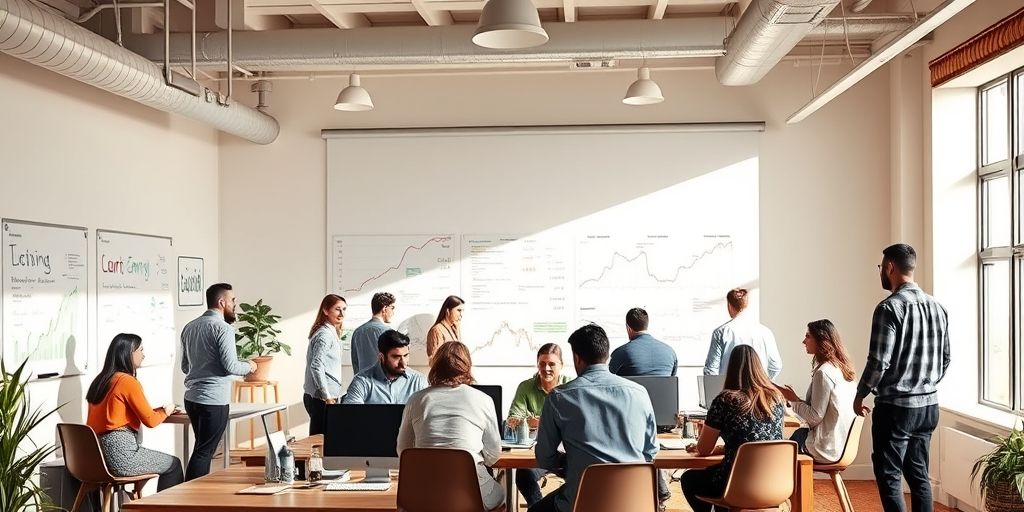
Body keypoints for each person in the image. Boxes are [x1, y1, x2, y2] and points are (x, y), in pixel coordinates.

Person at [854, 243, 950, 512]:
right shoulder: (937, 307)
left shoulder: (889, 309)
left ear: (890, 268)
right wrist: (924, 385)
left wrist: (861, 393)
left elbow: (878, 361)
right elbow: (945, 359)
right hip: (929, 406)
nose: (881, 273)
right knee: (920, 476)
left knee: (889, 475)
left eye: (881, 268)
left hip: (896, 408)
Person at [530, 324, 657, 512]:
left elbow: (545, 458)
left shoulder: (558, 397)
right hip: (632, 502)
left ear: (576, 358)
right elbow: (650, 453)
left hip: (581, 503)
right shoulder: (640, 393)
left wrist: (571, 463)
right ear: (607, 355)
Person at [398, 342, 504, 511]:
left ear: (435, 366)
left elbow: (403, 451)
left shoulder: (416, 400)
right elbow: (493, 455)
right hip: (471, 497)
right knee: (501, 488)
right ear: (467, 366)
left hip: (421, 496)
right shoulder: (483, 400)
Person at [681, 345, 785, 512]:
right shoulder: (776, 398)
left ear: (731, 368)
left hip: (736, 483)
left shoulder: (725, 400)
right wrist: (722, 449)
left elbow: (704, 449)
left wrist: (706, 448)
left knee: (689, 479)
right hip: (774, 482)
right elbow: (758, 443)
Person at [86, 333, 183, 490]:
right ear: (128, 353)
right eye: (140, 350)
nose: (143, 355)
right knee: (173, 465)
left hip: (97, 459)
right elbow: (150, 421)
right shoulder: (126, 381)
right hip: (121, 457)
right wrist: (167, 411)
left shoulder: (101, 381)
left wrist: (161, 411)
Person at [180, 283, 256, 481]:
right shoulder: (223, 329)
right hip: (213, 399)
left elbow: (185, 367)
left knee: (201, 448)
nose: (234, 304)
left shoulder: (189, 327)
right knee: (205, 451)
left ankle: (192, 496)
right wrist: (250, 366)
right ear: (222, 302)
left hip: (192, 399)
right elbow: (231, 365)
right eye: (232, 301)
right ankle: (191, 498)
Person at [608, 307, 678, 505]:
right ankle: (659, 492)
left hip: (629, 418)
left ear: (629, 328)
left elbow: (609, 384)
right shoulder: (669, 352)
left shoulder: (621, 353)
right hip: (661, 419)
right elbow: (669, 384)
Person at [776, 319, 857, 463]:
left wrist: (793, 400)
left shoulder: (824, 373)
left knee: (779, 450)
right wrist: (794, 398)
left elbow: (814, 417)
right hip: (840, 445)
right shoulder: (841, 369)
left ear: (821, 340)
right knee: (795, 437)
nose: (803, 341)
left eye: (808, 336)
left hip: (824, 448)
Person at [506, 343, 572, 507]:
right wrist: (529, 421)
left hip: (567, 452)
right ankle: (537, 506)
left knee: (580, 474)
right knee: (523, 474)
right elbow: (513, 419)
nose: (546, 368)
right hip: (539, 453)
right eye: (542, 364)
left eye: (552, 364)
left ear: (561, 366)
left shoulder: (572, 385)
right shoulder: (526, 387)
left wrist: (539, 420)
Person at [703, 288, 783, 379]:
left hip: (729, 390)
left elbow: (711, 370)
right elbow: (776, 366)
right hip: (758, 391)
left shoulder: (721, 332)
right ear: (746, 305)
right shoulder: (765, 332)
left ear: (729, 305)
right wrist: (763, 383)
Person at [343, 329, 427, 404]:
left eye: (405, 355)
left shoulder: (418, 380)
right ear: (381, 357)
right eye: (396, 357)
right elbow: (351, 416)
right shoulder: (362, 381)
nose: (404, 363)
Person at [303, 294, 346, 435]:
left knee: (324, 440)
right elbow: (316, 365)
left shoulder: (329, 331)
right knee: (320, 441)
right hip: (321, 398)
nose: (342, 314)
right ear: (326, 311)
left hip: (322, 396)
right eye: (337, 309)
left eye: (344, 309)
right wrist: (327, 396)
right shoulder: (325, 335)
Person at [350, 292, 396, 373]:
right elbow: (393, 363)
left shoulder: (357, 332)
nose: (393, 312)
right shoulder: (388, 332)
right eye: (392, 308)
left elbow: (355, 362)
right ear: (385, 308)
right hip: (382, 382)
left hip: (362, 382)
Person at [426, 295, 464, 361]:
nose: (461, 315)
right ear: (448, 311)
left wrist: (457, 331)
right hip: (445, 371)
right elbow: (435, 360)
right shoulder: (437, 330)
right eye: (459, 310)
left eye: (462, 311)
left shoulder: (454, 328)